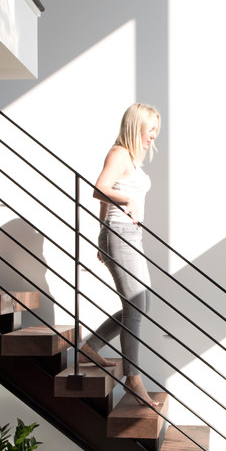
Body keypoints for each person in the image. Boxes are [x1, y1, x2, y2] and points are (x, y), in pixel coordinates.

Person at [80, 103, 161, 408]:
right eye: (149, 129)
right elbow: (98, 189)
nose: (152, 136)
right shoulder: (118, 154)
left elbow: (105, 193)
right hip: (120, 232)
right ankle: (133, 378)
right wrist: (107, 230)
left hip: (130, 235)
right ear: (134, 126)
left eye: (155, 130)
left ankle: (91, 348)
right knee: (135, 306)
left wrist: (101, 235)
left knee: (142, 303)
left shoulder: (132, 160)